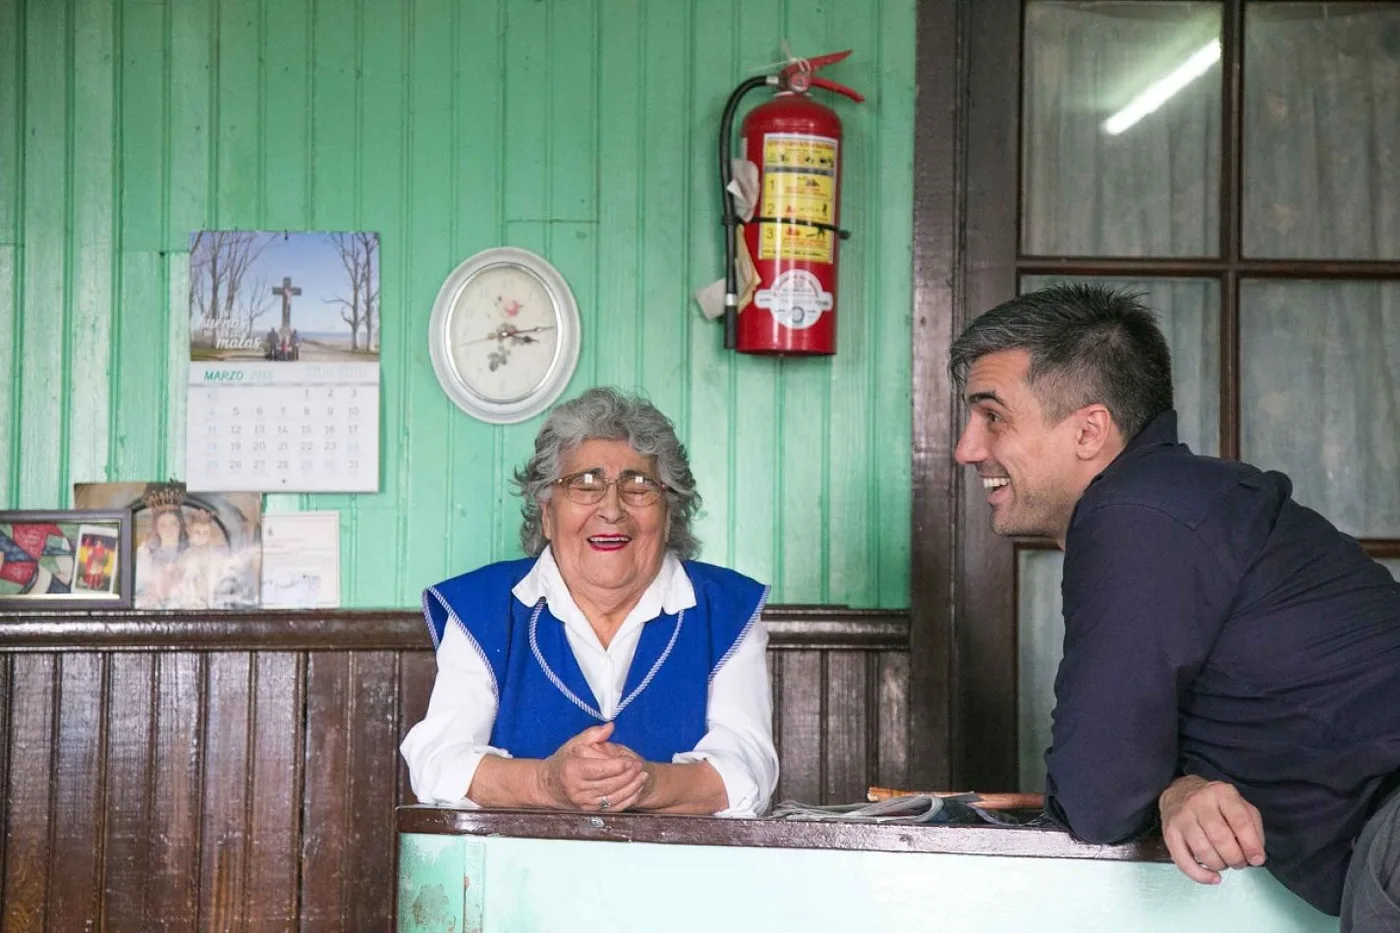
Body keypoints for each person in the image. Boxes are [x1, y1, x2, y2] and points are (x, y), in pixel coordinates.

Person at [949, 283, 1400, 926]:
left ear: (1089, 429)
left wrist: (1168, 787)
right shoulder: (1179, 501)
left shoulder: (1134, 514)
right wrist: (1179, 787)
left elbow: (1097, 799)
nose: (967, 448)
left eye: (992, 415)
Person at [400, 386, 778, 817]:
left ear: (669, 511)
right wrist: (547, 783)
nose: (612, 509)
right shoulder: (480, 608)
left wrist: (645, 783)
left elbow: (749, 772)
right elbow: (437, 763)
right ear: (546, 512)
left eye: (638, 486)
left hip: (682, 877)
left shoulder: (728, 610)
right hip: (517, 875)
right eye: (585, 485)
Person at [134, 507, 188, 609]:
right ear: (156, 528)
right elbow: (137, 588)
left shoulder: (190, 553)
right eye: (163, 525)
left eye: (174, 523)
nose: (169, 529)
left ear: (181, 526)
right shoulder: (145, 554)